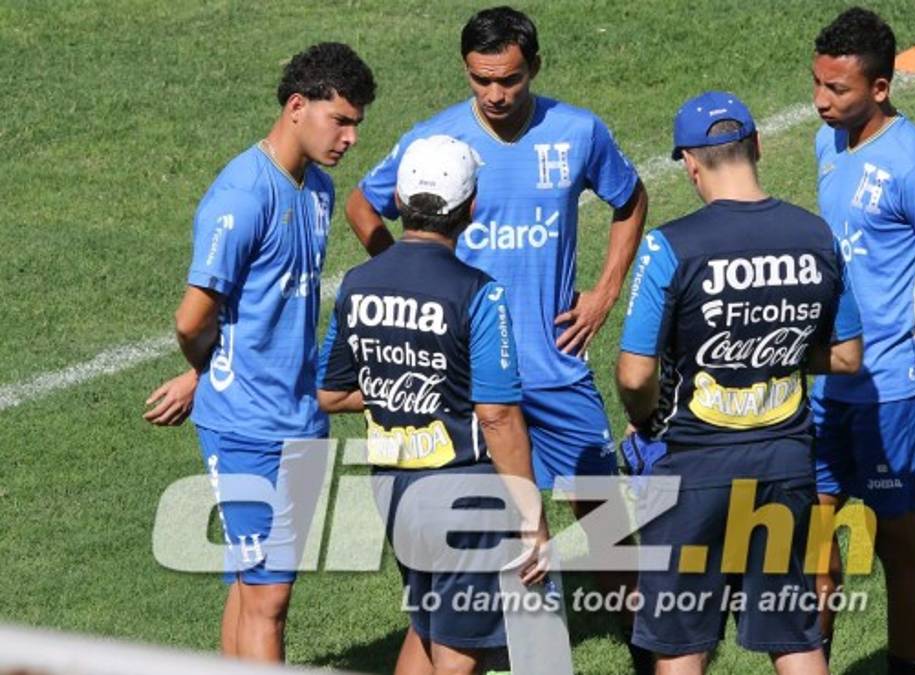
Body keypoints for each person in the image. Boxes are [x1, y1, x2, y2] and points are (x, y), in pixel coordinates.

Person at [345, 5, 651, 668]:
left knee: (608, 538)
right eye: (481, 79)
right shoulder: (437, 143)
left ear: (533, 68)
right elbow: (363, 202)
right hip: (473, 390)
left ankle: (650, 659)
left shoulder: (577, 132)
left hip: (557, 373)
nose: (495, 94)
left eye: (508, 78)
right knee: (462, 574)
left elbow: (630, 200)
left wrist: (603, 293)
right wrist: (402, 273)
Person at [616, 90, 864, 675]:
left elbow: (634, 373)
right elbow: (849, 357)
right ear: (756, 146)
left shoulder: (671, 246)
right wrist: (768, 356)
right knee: (794, 635)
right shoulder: (817, 236)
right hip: (785, 462)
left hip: (694, 468)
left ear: (689, 164)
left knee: (681, 641)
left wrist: (648, 413)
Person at [143, 43, 376, 661]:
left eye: (357, 123)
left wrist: (206, 371)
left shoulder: (319, 190)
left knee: (253, 590)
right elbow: (193, 318)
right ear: (298, 106)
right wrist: (207, 373)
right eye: (342, 120)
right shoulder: (242, 196)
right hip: (246, 426)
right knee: (269, 600)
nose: (351, 137)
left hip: (301, 417)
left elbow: (258, 313)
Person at [318, 134, 550, 675]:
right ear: (471, 209)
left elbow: (329, 392)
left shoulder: (357, 283)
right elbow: (497, 415)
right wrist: (532, 517)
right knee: (460, 650)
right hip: (462, 490)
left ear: (398, 200)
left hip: (392, 489)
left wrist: (398, 387)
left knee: (426, 625)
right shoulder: (479, 292)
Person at [809, 8, 915, 674]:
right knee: (813, 531)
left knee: (896, 543)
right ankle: (810, 661)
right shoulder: (830, 141)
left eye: (839, 90)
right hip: (833, 375)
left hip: (897, 391)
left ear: (880, 87)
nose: (823, 101)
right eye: (818, 85)